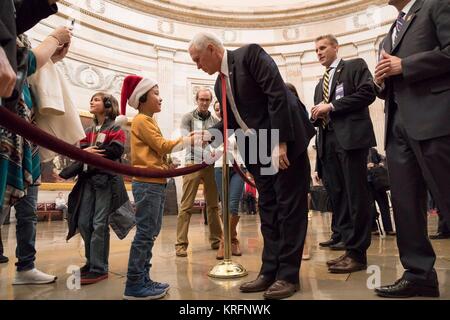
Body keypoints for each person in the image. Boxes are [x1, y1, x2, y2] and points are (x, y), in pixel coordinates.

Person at [188, 32, 315, 299]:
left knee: (289, 209)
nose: (197, 66)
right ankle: (269, 271)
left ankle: (288, 276)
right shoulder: (218, 85)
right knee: (268, 209)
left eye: (198, 59)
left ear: (211, 49)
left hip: (284, 141)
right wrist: (208, 135)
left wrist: (280, 142)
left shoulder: (250, 56)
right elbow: (231, 123)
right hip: (257, 148)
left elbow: (277, 96)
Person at [373, 0, 449, 298]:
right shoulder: (389, 33)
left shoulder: (436, 5)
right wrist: (380, 82)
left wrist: (406, 65)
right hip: (397, 127)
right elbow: (389, 79)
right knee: (406, 204)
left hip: (435, 119)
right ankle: (419, 274)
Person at [121, 75, 195, 300]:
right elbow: (161, 146)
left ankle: (143, 278)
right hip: (148, 184)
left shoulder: (148, 120)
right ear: (142, 98)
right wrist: (189, 140)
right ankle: (134, 283)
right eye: (155, 93)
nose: (160, 98)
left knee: (150, 233)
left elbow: (155, 152)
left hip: (155, 182)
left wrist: (166, 163)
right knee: (145, 233)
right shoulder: (142, 120)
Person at [311, 34, 376, 274]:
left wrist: (333, 106)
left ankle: (358, 254)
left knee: (355, 195)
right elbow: (320, 111)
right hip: (328, 143)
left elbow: (368, 93)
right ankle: (348, 248)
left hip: (351, 140)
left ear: (336, 47)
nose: (319, 53)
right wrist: (314, 114)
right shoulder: (321, 83)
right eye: (316, 50)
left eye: (323, 48)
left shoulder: (355, 66)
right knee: (339, 197)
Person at [75, 92, 126, 285]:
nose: (92, 102)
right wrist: (85, 152)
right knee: (83, 222)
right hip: (87, 179)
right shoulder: (88, 129)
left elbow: (116, 150)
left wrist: (92, 152)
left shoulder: (115, 128)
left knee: (99, 224)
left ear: (107, 104)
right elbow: (79, 150)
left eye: (96, 99)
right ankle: (91, 262)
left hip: (105, 180)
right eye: (91, 99)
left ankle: (99, 268)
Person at [175, 88, 223, 257]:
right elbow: (185, 139)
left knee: (213, 205)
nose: (204, 102)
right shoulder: (188, 117)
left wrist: (207, 142)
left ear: (210, 101)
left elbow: (217, 142)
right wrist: (202, 141)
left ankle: (216, 240)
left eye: (207, 100)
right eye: (201, 99)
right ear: (196, 100)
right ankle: (180, 244)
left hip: (209, 164)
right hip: (191, 163)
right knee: (186, 206)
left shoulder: (215, 119)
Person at [213, 130, 245, 259]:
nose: (220, 110)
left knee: (233, 204)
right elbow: (210, 148)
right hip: (220, 167)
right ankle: (233, 240)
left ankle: (223, 241)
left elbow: (246, 144)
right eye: (217, 109)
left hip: (238, 167)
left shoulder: (239, 126)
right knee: (225, 204)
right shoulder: (216, 129)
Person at [367, 148, 395, 236]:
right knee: (370, 208)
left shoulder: (373, 151)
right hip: (367, 184)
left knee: (384, 206)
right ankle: (373, 228)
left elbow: (383, 158)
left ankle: (388, 229)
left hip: (378, 183)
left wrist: (381, 164)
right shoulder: (358, 152)